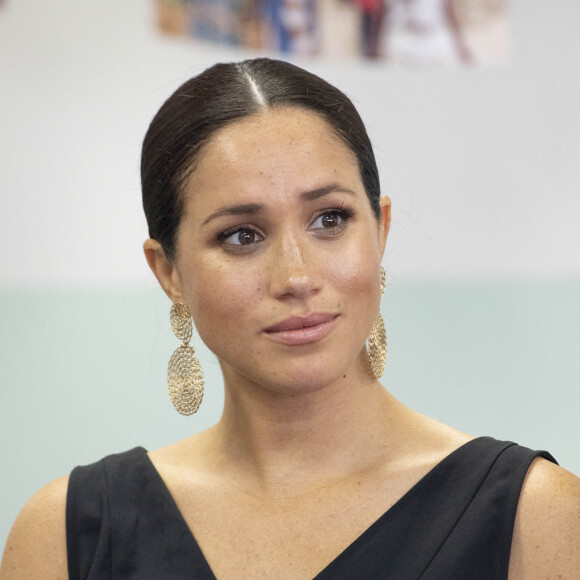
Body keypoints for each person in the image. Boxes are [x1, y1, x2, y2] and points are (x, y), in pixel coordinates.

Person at [1, 58, 578, 579]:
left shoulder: (537, 516)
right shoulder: (69, 535)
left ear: (381, 230)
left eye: (330, 219)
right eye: (241, 235)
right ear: (167, 271)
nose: (296, 276)